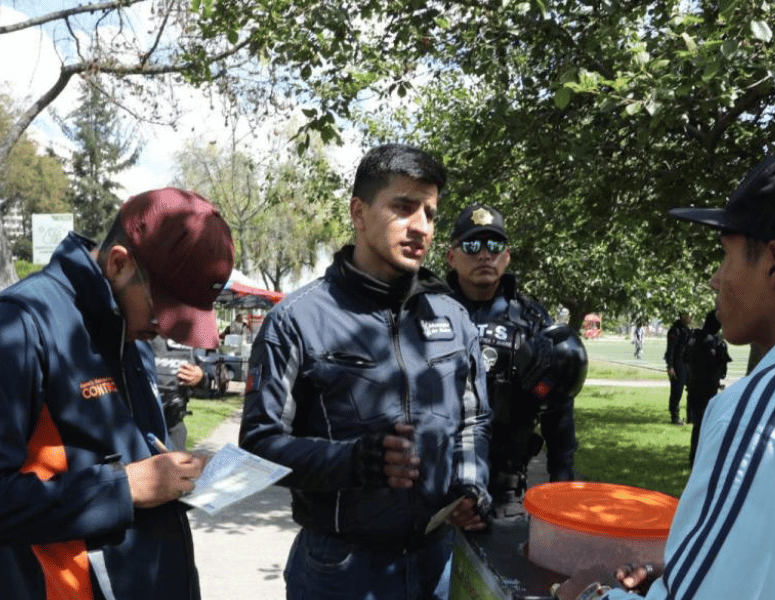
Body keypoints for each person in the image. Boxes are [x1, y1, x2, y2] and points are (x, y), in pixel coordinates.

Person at [239, 144, 492, 600]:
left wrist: (470, 484)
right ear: (358, 211)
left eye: (431, 214)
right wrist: (353, 462)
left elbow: (473, 421)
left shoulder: (454, 320)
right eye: (403, 206)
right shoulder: (296, 320)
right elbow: (258, 449)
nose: (421, 227)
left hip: (439, 560)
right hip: (340, 571)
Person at [554, 147, 775, 600]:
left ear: (773, 262)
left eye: (725, 256)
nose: (714, 278)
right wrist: (688, 569)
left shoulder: (760, 420)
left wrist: (586, 594)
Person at [0, 187, 234, 600]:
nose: (168, 330)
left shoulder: (129, 328)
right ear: (119, 263)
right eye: (166, 311)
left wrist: (174, 470)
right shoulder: (21, 324)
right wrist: (122, 489)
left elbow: (127, 453)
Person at [445, 203, 586, 518]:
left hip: (505, 491)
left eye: (494, 245)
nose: (484, 254)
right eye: (472, 244)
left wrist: (563, 478)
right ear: (451, 256)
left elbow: (558, 404)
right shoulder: (426, 313)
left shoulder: (532, 321)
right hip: (435, 485)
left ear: (506, 256)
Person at [684, 309, 731, 467]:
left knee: (698, 423)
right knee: (706, 423)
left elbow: (685, 359)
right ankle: (700, 458)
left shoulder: (693, 338)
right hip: (707, 387)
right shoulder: (715, 342)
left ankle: (693, 456)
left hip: (693, 385)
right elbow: (721, 368)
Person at [151, 335, 213, 450]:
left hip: (174, 424)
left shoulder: (189, 335)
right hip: (143, 425)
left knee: (177, 465)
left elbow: (206, 386)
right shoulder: (143, 331)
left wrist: (200, 379)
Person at [664, 312, 691, 424]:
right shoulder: (675, 330)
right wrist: (670, 366)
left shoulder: (686, 330)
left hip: (687, 364)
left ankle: (691, 416)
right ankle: (674, 416)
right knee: (677, 390)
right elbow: (670, 350)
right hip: (677, 363)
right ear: (682, 316)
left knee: (692, 390)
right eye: (687, 315)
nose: (689, 318)